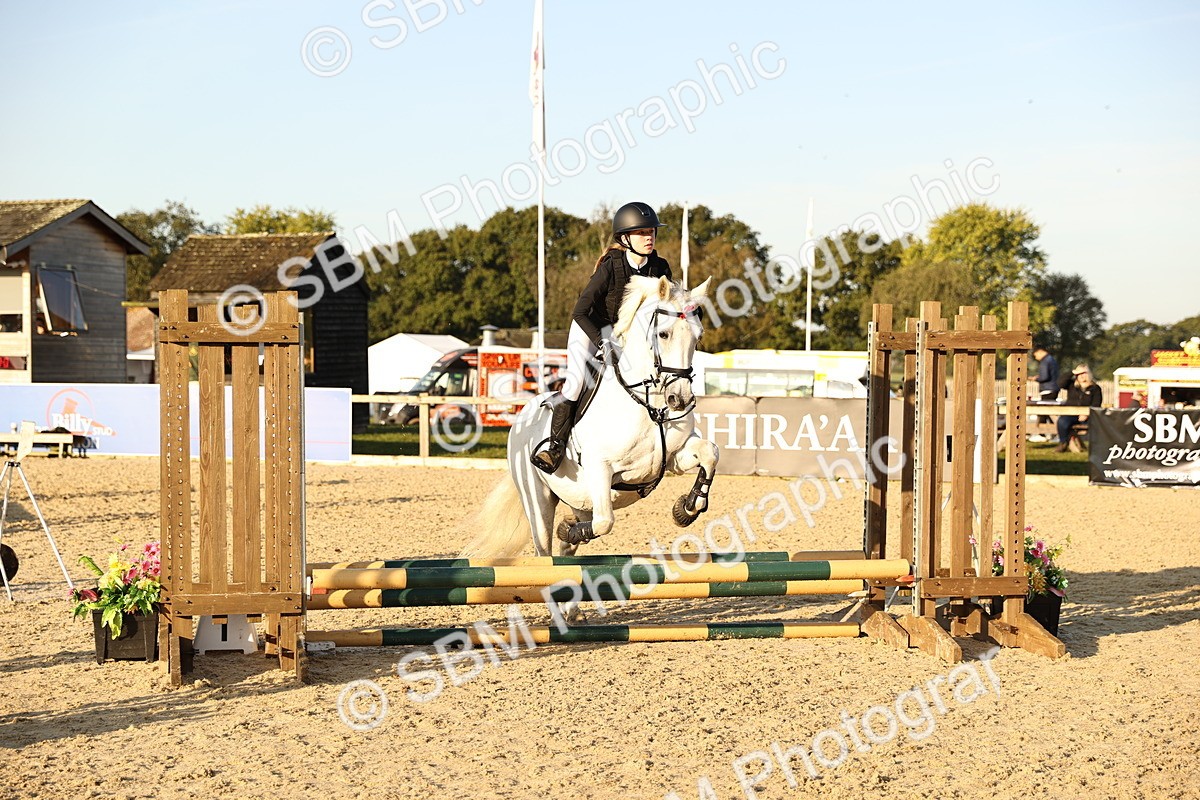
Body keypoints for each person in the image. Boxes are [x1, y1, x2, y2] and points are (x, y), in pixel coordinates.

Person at [529, 201, 671, 473]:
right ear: (625, 238)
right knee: (575, 382)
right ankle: (554, 446)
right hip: (590, 327)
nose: (649, 237)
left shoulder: (660, 267)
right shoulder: (610, 267)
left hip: (629, 335)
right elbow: (580, 311)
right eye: (642, 233)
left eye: (652, 231)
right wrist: (603, 341)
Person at [1055, 364, 1103, 452]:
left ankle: (1097, 447)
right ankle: (1063, 443)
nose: (1081, 376)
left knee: (1097, 424)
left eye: (1083, 373)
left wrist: (1086, 414)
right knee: (1062, 421)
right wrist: (1072, 372)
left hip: (1087, 416)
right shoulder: (1072, 385)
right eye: (1079, 374)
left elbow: (1096, 404)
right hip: (1071, 414)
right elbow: (1060, 383)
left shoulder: (1095, 388)